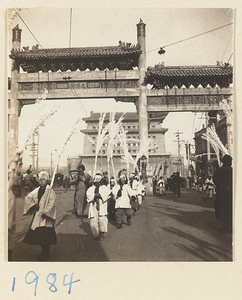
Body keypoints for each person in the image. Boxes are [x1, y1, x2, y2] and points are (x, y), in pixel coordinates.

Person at [23, 171, 57, 261]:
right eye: (40, 179)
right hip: (38, 215)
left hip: (46, 217)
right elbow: (28, 198)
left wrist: (46, 212)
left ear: (47, 181)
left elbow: (52, 204)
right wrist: (34, 205)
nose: (41, 181)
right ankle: (43, 250)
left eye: (44, 180)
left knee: (46, 235)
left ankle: (46, 252)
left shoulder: (50, 191)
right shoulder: (36, 190)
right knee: (38, 235)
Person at [86, 173, 111, 240]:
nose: (97, 181)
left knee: (102, 220)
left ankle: (102, 233)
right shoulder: (91, 189)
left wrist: (100, 195)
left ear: (101, 180)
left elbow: (108, 194)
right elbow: (88, 196)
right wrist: (94, 196)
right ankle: (96, 234)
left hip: (102, 206)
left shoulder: (104, 188)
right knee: (93, 221)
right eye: (96, 179)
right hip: (93, 206)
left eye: (99, 179)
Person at [213, 154, 233, 231]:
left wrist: (221, 185)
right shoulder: (232, 171)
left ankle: (225, 225)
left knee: (222, 208)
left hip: (221, 193)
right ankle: (229, 224)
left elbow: (215, 180)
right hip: (230, 193)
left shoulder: (218, 171)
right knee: (229, 208)